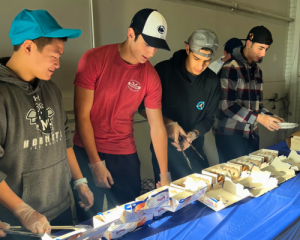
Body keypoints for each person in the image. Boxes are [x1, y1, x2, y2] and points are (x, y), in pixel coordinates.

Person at [0, 9, 94, 239]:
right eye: (54, 56)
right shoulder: (2, 95)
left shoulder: (50, 88)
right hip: (21, 222)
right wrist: (23, 211)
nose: (58, 64)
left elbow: (63, 136)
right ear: (28, 47)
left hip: (60, 206)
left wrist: (80, 181)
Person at [72, 8, 171, 221]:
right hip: (87, 148)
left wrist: (164, 175)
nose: (152, 53)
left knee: (130, 217)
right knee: (89, 218)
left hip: (123, 151)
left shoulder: (150, 76)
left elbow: (157, 127)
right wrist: (95, 163)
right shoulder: (94, 59)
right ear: (131, 34)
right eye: (148, 44)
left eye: (157, 47)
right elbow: (82, 116)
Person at [139, 29, 221, 182]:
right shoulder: (162, 71)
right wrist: (168, 123)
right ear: (188, 48)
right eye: (196, 58)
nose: (200, 66)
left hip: (193, 147)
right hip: (163, 151)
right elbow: (142, 107)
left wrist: (193, 134)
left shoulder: (212, 81)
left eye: (206, 61)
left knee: (201, 192)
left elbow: (209, 119)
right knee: (168, 199)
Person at [215, 26, 284, 163]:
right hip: (231, 135)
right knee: (233, 180)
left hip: (251, 134)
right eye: (260, 48)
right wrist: (259, 118)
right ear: (248, 43)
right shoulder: (231, 67)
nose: (263, 54)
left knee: (252, 176)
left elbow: (258, 105)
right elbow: (226, 106)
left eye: (266, 49)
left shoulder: (257, 71)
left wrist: (270, 117)